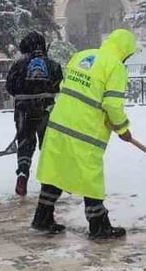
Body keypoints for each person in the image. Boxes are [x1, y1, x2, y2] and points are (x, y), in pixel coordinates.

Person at [31, 28, 136, 239]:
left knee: (56, 170)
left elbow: (66, 86)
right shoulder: (115, 67)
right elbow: (112, 105)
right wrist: (123, 129)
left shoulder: (82, 55)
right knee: (90, 178)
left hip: (59, 124)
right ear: (125, 51)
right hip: (84, 131)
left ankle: (42, 218)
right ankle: (99, 226)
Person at [5, 31, 64, 196]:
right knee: (47, 145)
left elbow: (9, 87)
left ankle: (23, 173)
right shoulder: (52, 64)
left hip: (24, 109)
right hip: (46, 109)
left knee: (25, 142)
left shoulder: (18, 65)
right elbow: (59, 84)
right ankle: (50, 180)